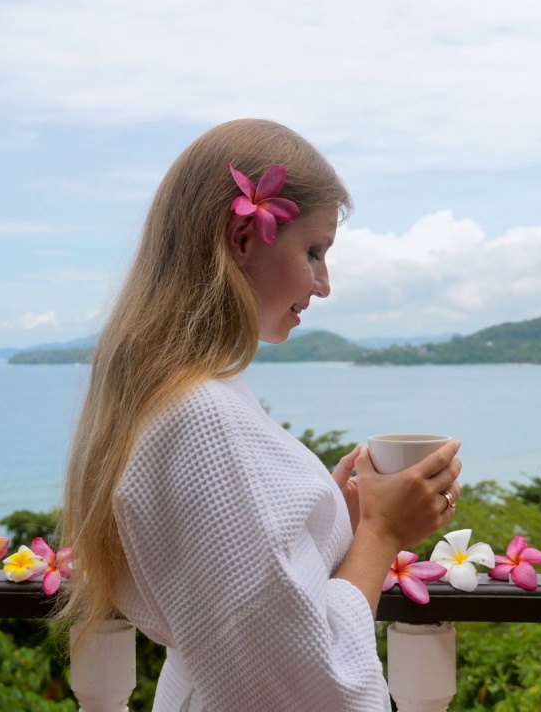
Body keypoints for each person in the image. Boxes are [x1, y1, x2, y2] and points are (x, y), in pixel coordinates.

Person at [58, 119, 462, 711]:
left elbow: (240, 592)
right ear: (244, 239)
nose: (323, 284)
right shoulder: (204, 415)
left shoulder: (180, 396)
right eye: (314, 251)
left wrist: (332, 519)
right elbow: (305, 682)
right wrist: (382, 533)